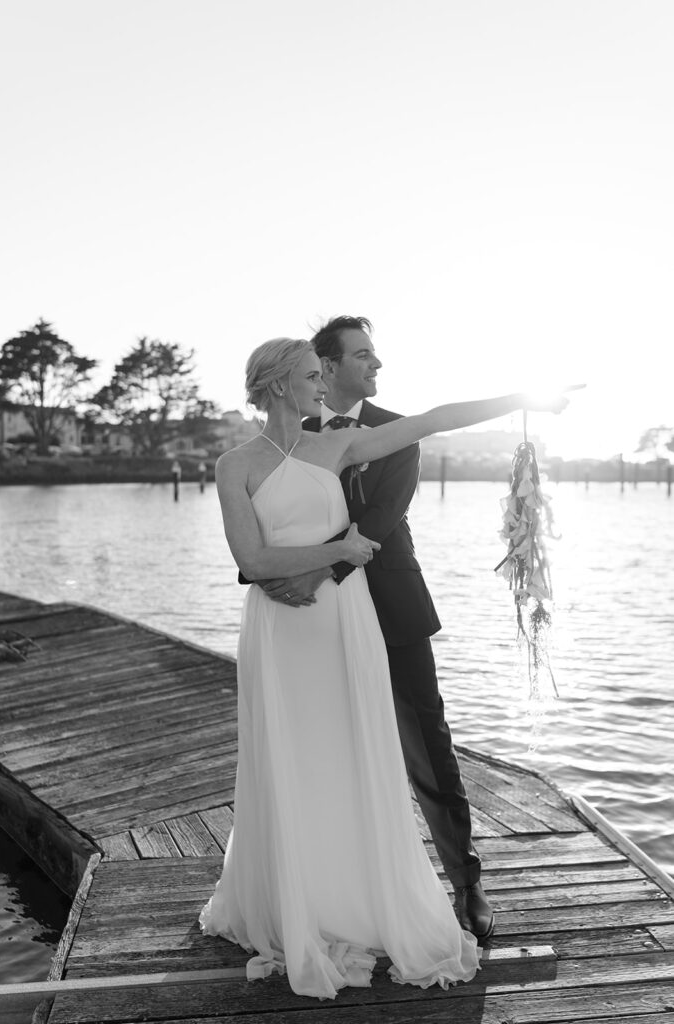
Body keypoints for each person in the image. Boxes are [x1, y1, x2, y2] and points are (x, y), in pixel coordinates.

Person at [199, 336, 568, 999]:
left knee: (350, 754)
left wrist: (519, 400)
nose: (323, 385)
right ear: (281, 385)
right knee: (289, 755)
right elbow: (251, 562)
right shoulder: (234, 465)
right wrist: (335, 548)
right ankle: (294, 899)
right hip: (278, 631)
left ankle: (365, 895)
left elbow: (432, 419)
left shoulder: (336, 448)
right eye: (313, 375)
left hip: (346, 621)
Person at [249, 316, 493, 938]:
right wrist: (286, 578)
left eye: (375, 354)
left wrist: (316, 571)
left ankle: (467, 884)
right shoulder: (285, 438)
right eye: (362, 355)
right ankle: (332, 893)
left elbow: (383, 516)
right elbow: (268, 527)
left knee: (428, 747)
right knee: (326, 746)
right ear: (324, 368)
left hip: (389, 602)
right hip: (315, 619)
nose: (376, 365)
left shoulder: (391, 434)